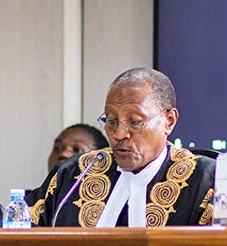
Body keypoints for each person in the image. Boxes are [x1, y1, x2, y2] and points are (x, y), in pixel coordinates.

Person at [31, 68, 216, 227]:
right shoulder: (75, 173)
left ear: (169, 121)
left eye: (135, 122)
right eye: (111, 121)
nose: (119, 134)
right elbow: (21, 229)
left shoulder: (205, 180)